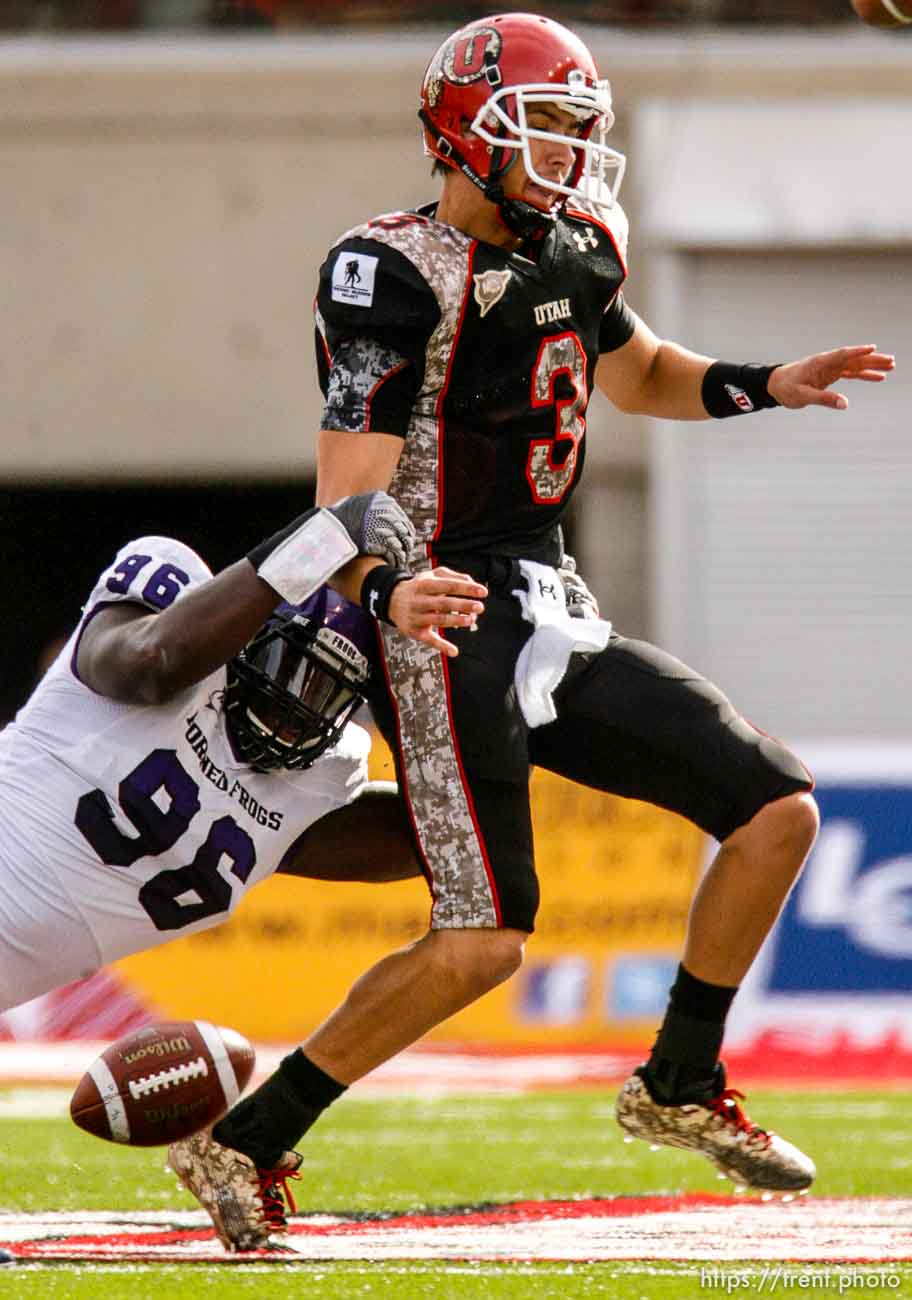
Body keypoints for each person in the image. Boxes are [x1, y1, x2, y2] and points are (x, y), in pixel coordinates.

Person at [169, 12, 897, 1251]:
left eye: (577, 125)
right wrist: (383, 587)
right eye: (545, 125)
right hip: (442, 609)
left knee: (779, 809)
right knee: (487, 936)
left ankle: (675, 1081)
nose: (568, 150)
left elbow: (638, 370)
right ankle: (243, 1137)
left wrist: (761, 382)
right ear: (465, 129)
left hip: (551, 606)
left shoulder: (580, 244)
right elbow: (349, 480)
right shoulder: (391, 269)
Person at [0, 488, 486, 1013]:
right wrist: (318, 540)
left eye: (326, 691)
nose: (295, 704)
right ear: (252, 637)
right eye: (290, 667)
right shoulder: (171, 607)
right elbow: (152, 660)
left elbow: (442, 837)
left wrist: (511, 715)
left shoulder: (317, 779)